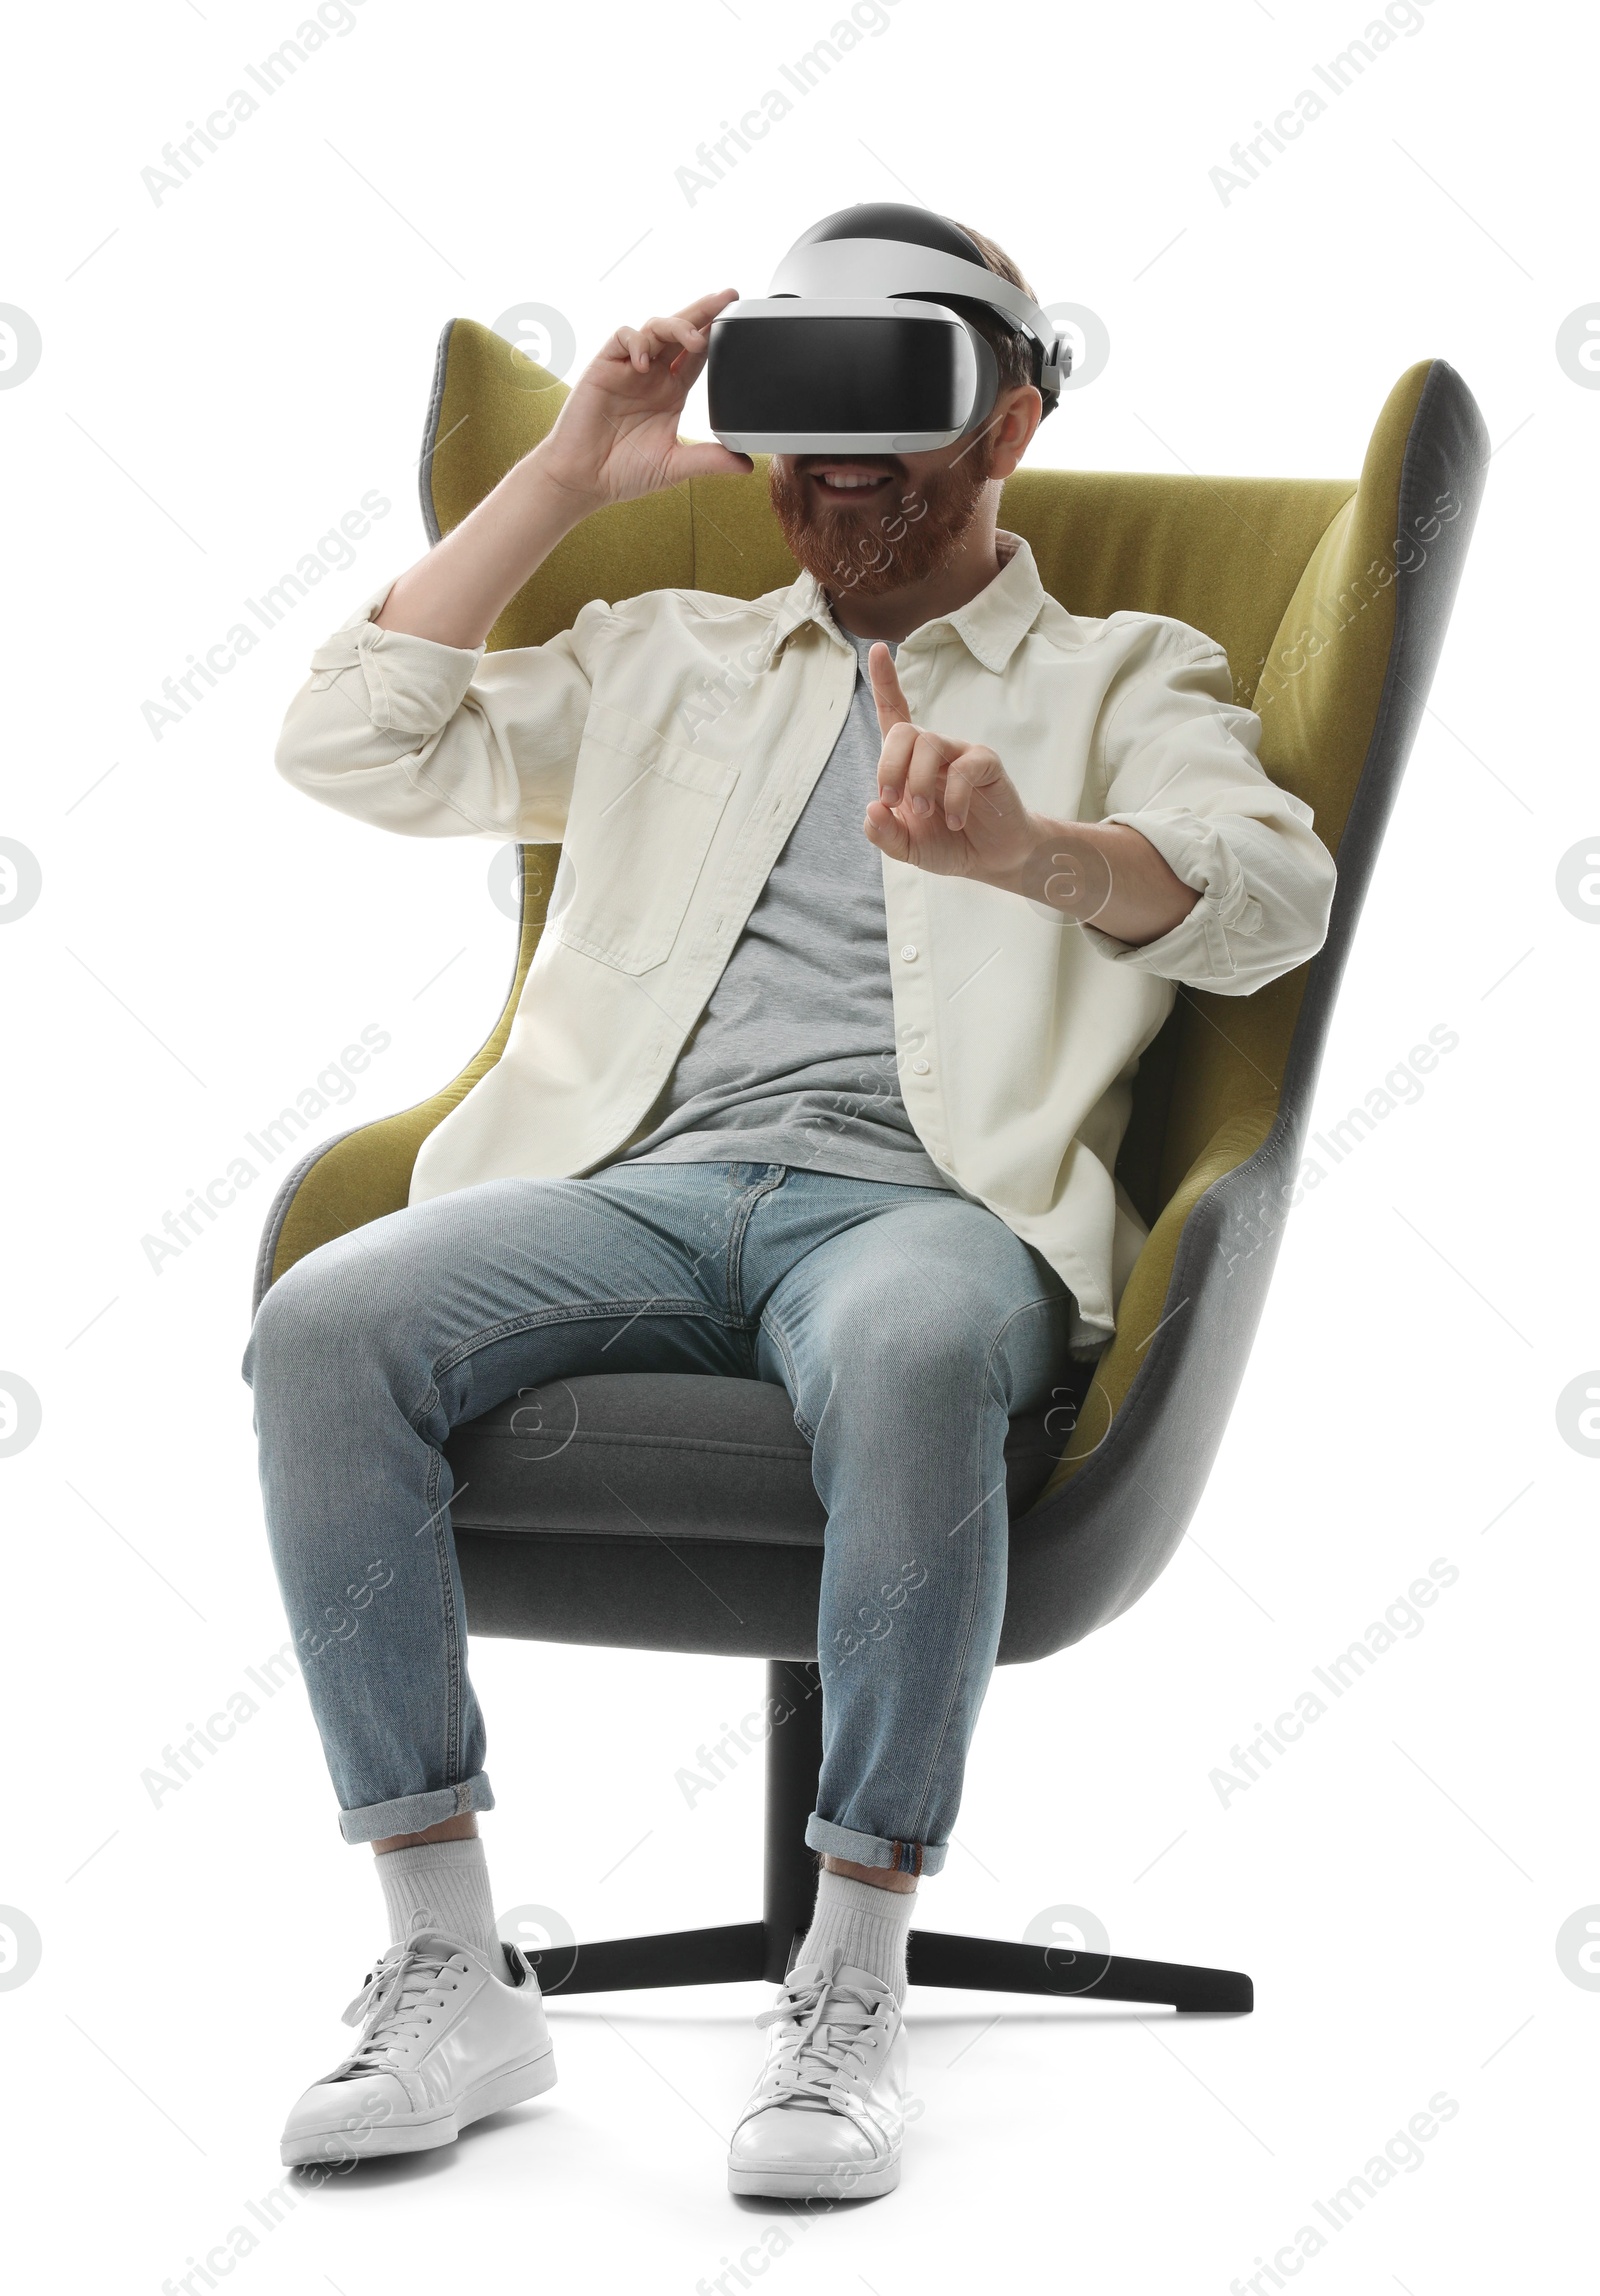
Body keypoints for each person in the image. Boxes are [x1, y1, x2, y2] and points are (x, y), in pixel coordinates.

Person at [244, 208, 1336, 2198]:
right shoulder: (662, 649)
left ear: (1005, 419)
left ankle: (850, 1969)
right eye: (798, 415)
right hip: (633, 1187)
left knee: (918, 1345)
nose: (836, 466)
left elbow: (1269, 897)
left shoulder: (1118, 669)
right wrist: (570, 468)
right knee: (328, 1314)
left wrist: (1045, 855)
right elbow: (349, 743)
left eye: (889, 411)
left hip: (921, 1211)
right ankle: (440, 1960)